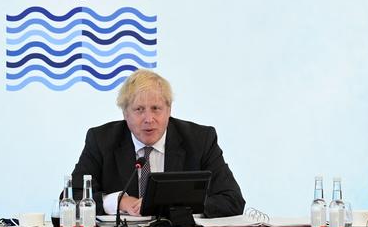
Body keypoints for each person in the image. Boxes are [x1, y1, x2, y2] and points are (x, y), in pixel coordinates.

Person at [70, 69, 245, 217]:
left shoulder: (200, 140)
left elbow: (232, 200)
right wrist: (118, 201)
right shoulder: (102, 140)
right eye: (139, 109)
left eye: (156, 108)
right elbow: (72, 198)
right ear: (125, 113)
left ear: (169, 110)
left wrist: (172, 206)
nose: (149, 119)